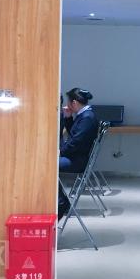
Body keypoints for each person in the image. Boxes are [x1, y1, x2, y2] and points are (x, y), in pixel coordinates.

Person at [57, 87, 97, 215]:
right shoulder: (86, 115)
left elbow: (75, 143)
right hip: (77, 156)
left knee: (47, 167)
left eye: (68, 102)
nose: (67, 105)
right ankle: (61, 201)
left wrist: (60, 152)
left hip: (77, 160)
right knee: (49, 164)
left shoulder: (87, 118)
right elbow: (75, 134)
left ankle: (61, 202)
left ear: (74, 103)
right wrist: (68, 118)